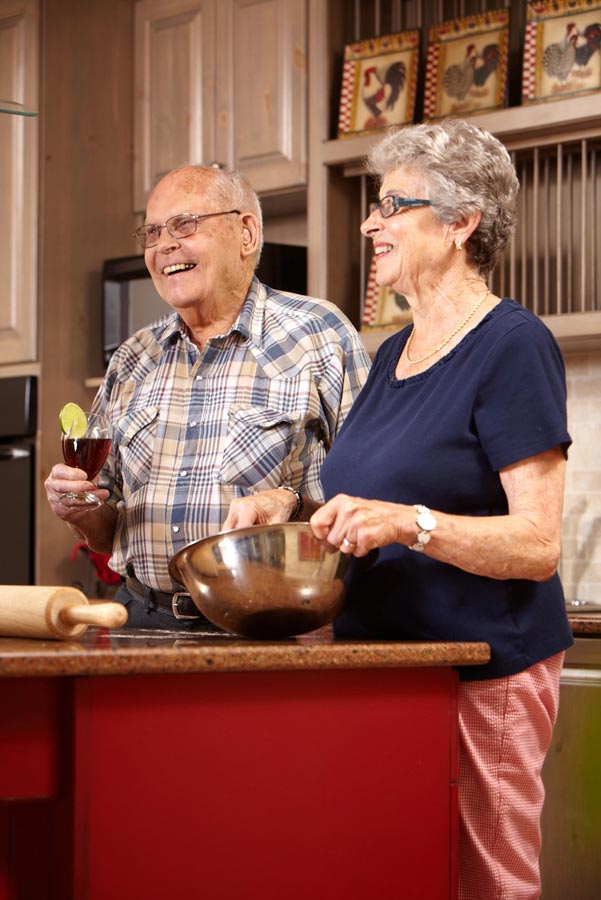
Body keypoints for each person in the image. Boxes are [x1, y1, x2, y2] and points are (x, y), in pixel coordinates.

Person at [224, 119, 573, 900]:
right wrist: (290, 508)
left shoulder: (511, 346)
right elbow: (369, 497)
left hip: (481, 670)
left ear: (459, 224)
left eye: (390, 206)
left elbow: (536, 543)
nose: (368, 224)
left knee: (485, 883)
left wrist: (410, 522)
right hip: (385, 669)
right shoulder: (392, 351)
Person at [45, 165, 371, 630]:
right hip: (139, 620)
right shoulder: (132, 358)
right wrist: (79, 508)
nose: (164, 245)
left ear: (246, 233)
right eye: (152, 232)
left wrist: (292, 504)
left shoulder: (320, 335)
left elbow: (373, 502)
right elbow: (107, 529)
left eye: (184, 224)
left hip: (273, 626)